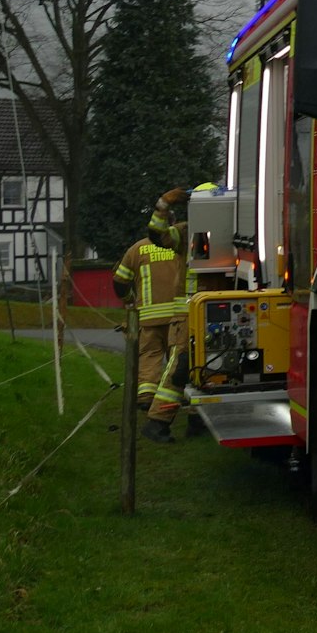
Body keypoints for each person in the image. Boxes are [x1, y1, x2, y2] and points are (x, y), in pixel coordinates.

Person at [113, 187, 198, 444]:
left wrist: (130, 303)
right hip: (185, 312)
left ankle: (146, 398)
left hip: (155, 315)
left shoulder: (138, 249)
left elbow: (120, 281)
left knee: (154, 360)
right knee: (182, 365)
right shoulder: (185, 235)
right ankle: (165, 417)